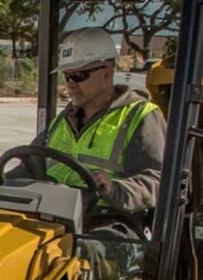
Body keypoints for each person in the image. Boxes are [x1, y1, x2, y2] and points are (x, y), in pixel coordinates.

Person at [32, 27, 163, 226]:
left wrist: (114, 189)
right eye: (67, 76)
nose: (71, 84)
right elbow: (30, 164)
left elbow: (157, 182)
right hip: (57, 213)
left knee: (81, 256)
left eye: (79, 76)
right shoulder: (64, 119)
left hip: (112, 221)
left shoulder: (139, 116)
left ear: (106, 74)